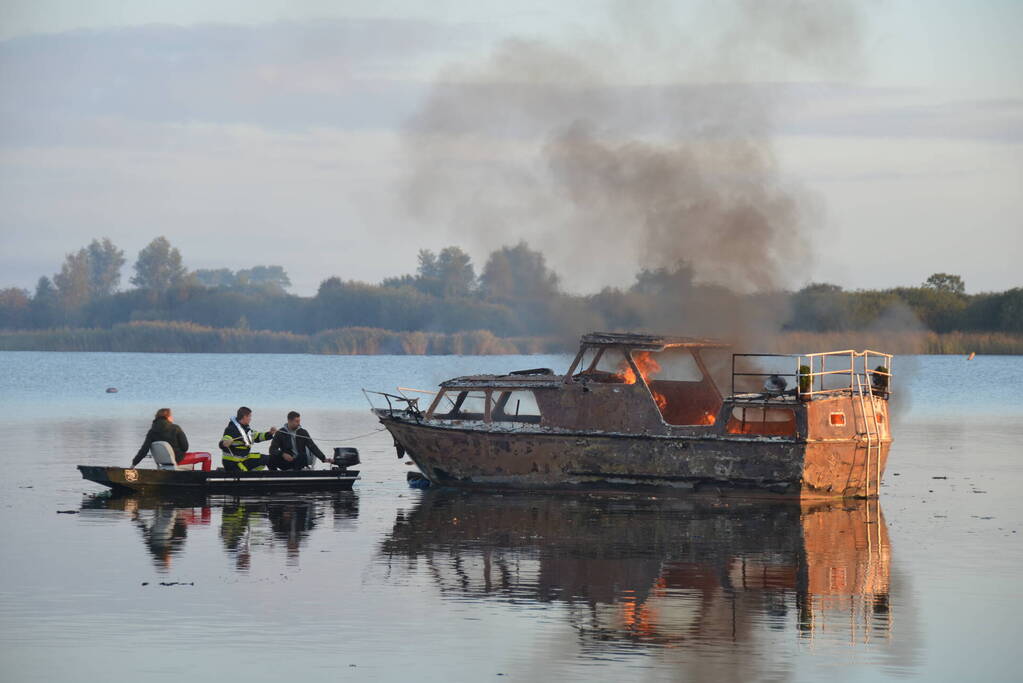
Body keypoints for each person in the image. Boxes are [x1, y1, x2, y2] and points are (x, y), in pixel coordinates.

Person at [132, 408, 196, 468]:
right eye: (171, 416)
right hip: (178, 460)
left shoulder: (152, 431)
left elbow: (144, 450)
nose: (172, 418)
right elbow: (185, 448)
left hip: (163, 462)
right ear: (168, 417)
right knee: (205, 456)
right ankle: (205, 478)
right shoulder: (176, 428)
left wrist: (133, 464)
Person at [220, 406, 277, 472]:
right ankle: (250, 475)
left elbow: (257, 437)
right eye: (249, 416)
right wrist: (224, 443)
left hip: (244, 459)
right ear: (244, 417)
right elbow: (222, 443)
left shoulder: (246, 429)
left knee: (268, 459)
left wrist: (270, 433)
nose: (250, 419)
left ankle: (274, 475)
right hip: (232, 463)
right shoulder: (231, 429)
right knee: (244, 473)